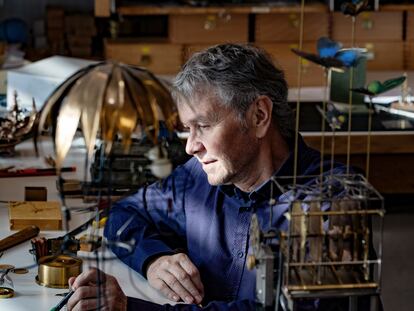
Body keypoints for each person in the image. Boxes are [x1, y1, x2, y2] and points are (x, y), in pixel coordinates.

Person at [67, 43, 355, 311]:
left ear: (258, 116)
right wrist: (153, 260)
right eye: (187, 129)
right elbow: (121, 214)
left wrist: (132, 307)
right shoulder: (196, 179)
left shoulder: (331, 201)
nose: (191, 146)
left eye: (202, 126)